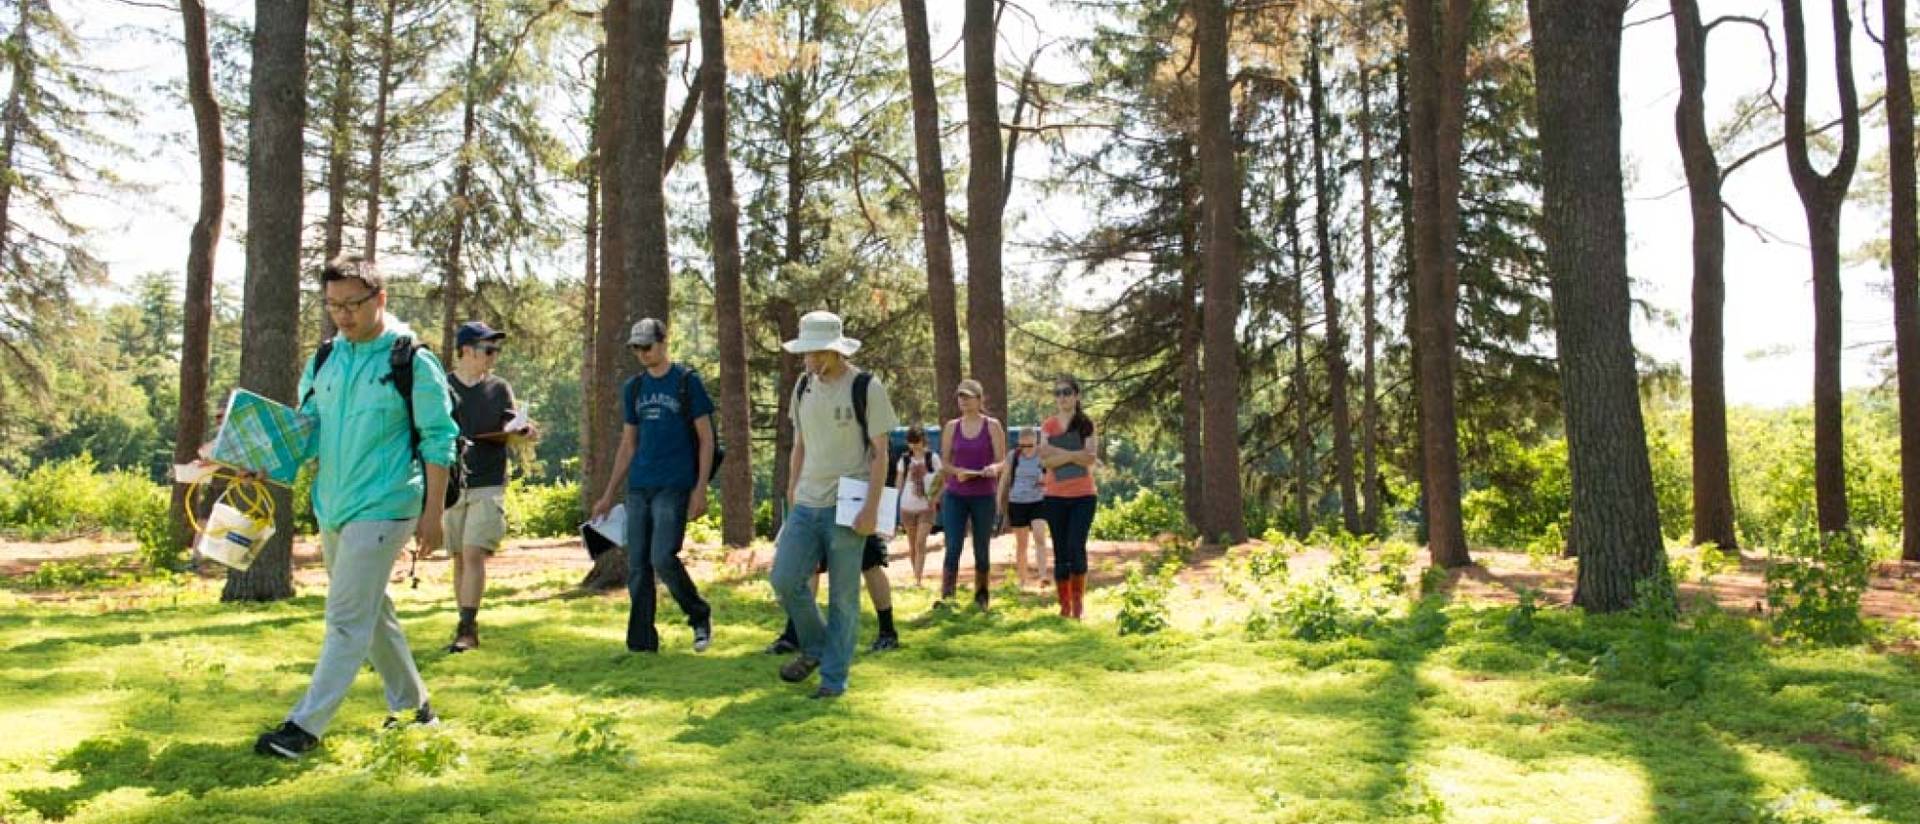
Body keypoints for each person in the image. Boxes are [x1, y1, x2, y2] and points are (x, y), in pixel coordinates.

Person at [253, 254, 457, 759]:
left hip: (388, 503)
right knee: (372, 610)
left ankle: (303, 728)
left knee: (345, 617)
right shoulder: (325, 359)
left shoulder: (410, 359)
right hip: (334, 505)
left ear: (380, 299)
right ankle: (415, 708)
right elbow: (306, 433)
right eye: (333, 306)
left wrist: (432, 515)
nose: (342, 315)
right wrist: (259, 460)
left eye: (352, 304)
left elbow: (439, 439)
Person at [769, 310, 897, 699]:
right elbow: (800, 444)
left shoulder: (866, 387)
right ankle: (818, 648)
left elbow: (881, 454)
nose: (805, 358)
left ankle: (832, 680)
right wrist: (792, 491)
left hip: (849, 503)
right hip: (806, 502)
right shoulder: (802, 387)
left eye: (812, 352)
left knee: (843, 596)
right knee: (785, 579)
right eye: (804, 352)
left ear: (833, 351)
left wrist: (871, 509)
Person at [591, 318, 716, 654]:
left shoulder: (687, 383)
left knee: (662, 557)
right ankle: (642, 642)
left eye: (647, 346)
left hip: (674, 485)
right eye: (636, 348)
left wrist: (700, 488)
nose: (642, 353)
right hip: (639, 487)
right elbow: (628, 443)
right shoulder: (633, 388)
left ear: (664, 343)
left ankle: (699, 615)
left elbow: (707, 439)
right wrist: (607, 494)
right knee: (637, 566)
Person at [442, 320, 538, 653]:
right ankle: (464, 625)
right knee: (458, 557)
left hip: (488, 482)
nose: (493, 356)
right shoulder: (442, 387)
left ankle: (467, 629)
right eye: (488, 350)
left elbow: (513, 426)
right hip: (451, 485)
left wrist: (524, 431)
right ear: (466, 351)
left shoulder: (499, 388)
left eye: (496, 350)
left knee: (473, 553)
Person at [936, 379, 1006, 610]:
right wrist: (957, 472)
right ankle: (947, 597)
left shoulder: (992, 425)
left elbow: (1002, 461)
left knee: (981, 547)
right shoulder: (951, 427)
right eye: (960, 397)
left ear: (980, 399)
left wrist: (992, 469)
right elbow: (944, 462)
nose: (963, 401)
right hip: (956, 494)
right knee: (953, 544)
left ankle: (982, 595)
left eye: (968, 397)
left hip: (984, 495)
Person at [1038, 376, 1098, 619]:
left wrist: (1059, 452)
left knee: (1076, 547)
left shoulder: (1086, 425)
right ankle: (1065, 606)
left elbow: (1091, 458)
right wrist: (1075, 454)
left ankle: (1078, 606)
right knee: (1061, 551)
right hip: (1054, 496)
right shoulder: (1048, 426)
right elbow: (1045, 460)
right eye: (1058, 393)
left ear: (1076, 396)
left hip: (1084, 495)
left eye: (1067, 392)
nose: (1062, 397)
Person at [998, 425, 1051, 589]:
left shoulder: (1043, 456)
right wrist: (999, 500)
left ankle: (1043, 575)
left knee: (1039, 536)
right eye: (1023, 445)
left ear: (1036, 443)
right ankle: (1023, 580)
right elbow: (1005, 478)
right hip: (1017, 502)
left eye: (1030, 445)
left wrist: (1046, 480)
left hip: (1038, 501)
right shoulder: (1013, 456)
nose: (1026, 449)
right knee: (1022, 544)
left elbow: (1054, 476)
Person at [896, 426, 941, 587]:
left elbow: (941, 480)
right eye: (911, 443)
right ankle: (916, 575)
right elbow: (899, 482)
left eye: (917, 442)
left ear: (923, 441)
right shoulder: (904, 460)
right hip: (907, 507)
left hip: (926, 507)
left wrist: (935, 498)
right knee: (912, 543)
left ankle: (918, 579)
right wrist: (894, 498)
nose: (914, 446)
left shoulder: (932, 458)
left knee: (921, 542)